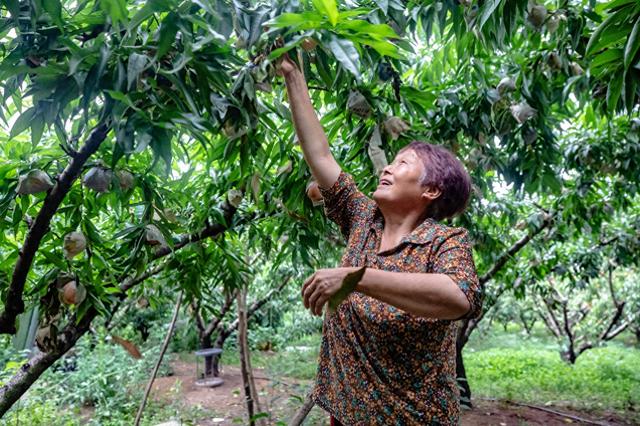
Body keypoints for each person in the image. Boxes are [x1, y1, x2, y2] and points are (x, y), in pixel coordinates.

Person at [278, 54, 484, 425]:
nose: (387, 167)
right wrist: (293, 75)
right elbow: (320, 156)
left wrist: (355, 277)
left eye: (403, 163)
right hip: (347, 416)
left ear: (432, 190)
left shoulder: (445, 242)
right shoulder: (362, 220)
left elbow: (459, 298)